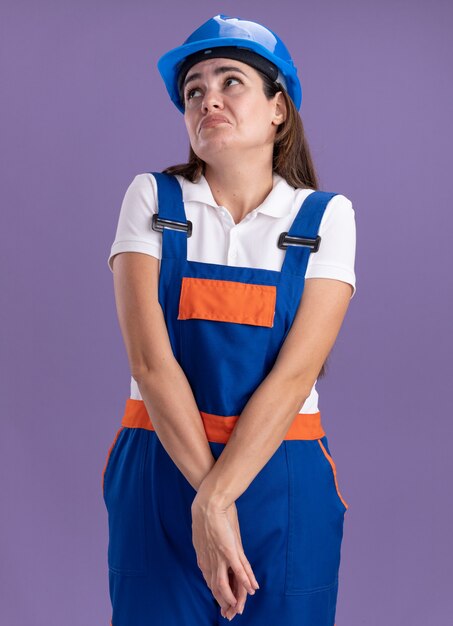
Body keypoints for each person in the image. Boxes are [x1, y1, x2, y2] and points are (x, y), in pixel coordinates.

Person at [103, 13, 356, 626]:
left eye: (230, 81)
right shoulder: (153, 200)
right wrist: (203, 499)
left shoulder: (326, 218)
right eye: (194, 91)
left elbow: (295, 378)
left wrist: (215, 499)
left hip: (284, 480)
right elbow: (150, 363)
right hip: (161, 465)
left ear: (278, 110)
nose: (208, 98)